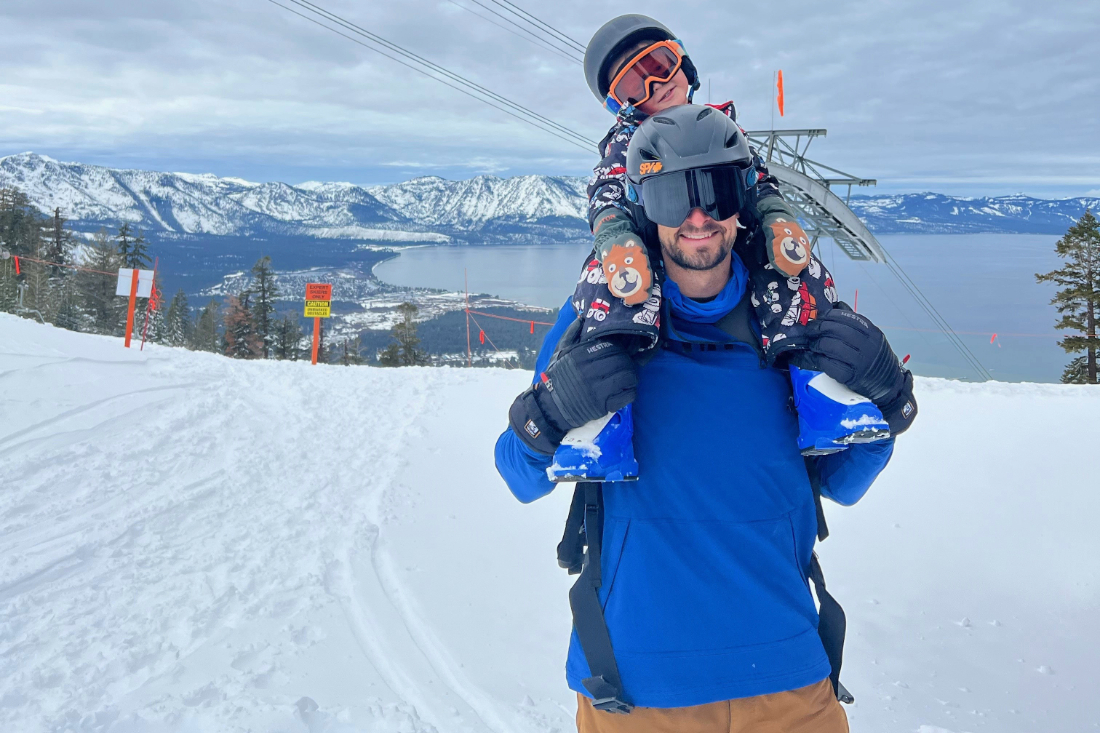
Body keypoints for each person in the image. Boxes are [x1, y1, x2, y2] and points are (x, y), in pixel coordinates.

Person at [495, 105, 917, 733]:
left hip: (789, 682)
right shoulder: (600, 322)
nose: (696, 217)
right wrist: (549, 413)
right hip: (637, 688)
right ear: (643, 209)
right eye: (672, 194)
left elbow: (845, 480)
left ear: (741, 202)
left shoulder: (790, 320)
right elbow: (518, 471)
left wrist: (888, 399)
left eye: (714, 191)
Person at [564, 14, 889, 461]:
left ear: (684, 63)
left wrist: (775, 219)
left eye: (660, 64)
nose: (655, 84)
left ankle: (819, 388)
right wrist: (617, 238)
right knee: (608, 287)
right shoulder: (626, 143)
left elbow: (759, 182)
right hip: (648, 251)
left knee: (793, 276)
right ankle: (601, 416)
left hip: (733, 245)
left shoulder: (723, 127)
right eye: (632, 85)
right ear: (620, 104)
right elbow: (605, 194)